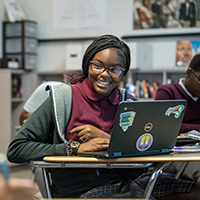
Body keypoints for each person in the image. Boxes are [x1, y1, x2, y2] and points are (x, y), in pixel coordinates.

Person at [6, 35, 200, 199]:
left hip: (131, 182)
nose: (105, 74)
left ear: (123, 72)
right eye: (98, 66)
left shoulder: (128, 102)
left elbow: (146, 152)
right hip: (83, 189)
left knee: (195, 192)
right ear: (87, 64)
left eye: (115, 69)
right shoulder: (63, 99)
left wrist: (111, 141)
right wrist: (74, 148)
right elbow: (16, 149)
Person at [155, 53, 200, 183]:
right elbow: (163, 126)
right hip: (176, 153)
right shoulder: (167, 92)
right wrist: (197, 128)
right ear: (189, 72)